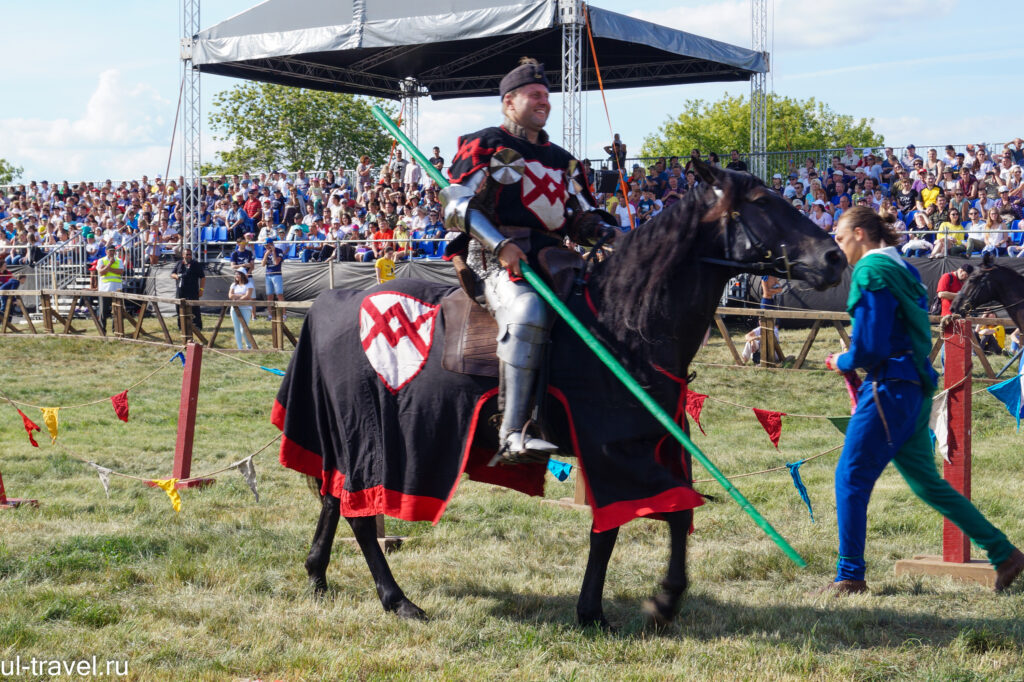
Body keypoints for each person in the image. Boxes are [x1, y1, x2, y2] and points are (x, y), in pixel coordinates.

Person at [821, 206, 1024, 595]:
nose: (838, 242)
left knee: (850, 478)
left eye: (841, 235)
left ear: (861, 233)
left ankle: (849, 575)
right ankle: (1004, 553)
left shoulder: (870, 270)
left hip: (888, 389)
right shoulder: (907, 271)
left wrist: (839, 360)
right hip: (915, 389)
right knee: (927, 484)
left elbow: (869, 348)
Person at [441, 57, 618, 461]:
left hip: (557, 261)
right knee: (528, 310)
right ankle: (512, 433)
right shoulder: (485, 143)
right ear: (509, 102)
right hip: (496, 256)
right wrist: (499, 245)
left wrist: (606, 232)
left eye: (546, 95)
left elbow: (577, 216)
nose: (544, 101)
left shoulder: (562, 159)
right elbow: (455, 204)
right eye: (534, 95)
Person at [170, 247, 205, 331]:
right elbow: (172, 274)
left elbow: (203, 278)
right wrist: (177, 276)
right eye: (187, 254)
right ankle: (181, 326)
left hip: (192, 291)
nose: (189, 256)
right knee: (180, 309)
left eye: (190, 254)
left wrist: (201, 290)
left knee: (195, 309)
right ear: (183, 255)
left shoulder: (195, 264)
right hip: (181, 291)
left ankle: (197, 326)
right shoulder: (179, 263)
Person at [96, 243, 125, 333]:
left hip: (117, 289)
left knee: (116, 311)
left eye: (113, 251)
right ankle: (102, 330)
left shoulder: (119, 260)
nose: (112, 253)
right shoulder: (101, 260)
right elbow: (101, 272)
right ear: (106, 252)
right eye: (110, 251)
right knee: (103, 312)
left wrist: (108, 268)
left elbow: (120, 271)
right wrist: (110, 264)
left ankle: (115, 329)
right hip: (104, 289)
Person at [228, 268, 255, 350]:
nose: (236, 276)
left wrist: (237, 297)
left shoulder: (249, 284)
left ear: (242, 275)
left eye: (238, 274)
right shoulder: (233, 285)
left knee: (243, 329)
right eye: (235, 274)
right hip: (234, 308)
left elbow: (248, 296)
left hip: (246, 308)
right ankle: (240, 348)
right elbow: (230, 296)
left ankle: (248, 345)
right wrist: (241, 295)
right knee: (236, 328)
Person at [261, 237, 285, 321]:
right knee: (269, 296)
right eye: (265, 246)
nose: (266, 247)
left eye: (267, 246)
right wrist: (266, 254)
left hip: (277, 274)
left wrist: (273, 251)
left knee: (279, 295)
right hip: (268, 274)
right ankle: (270, 315)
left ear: (271, 244)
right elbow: (263, 264)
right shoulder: (265, 252)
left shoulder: (279, 251)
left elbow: (276, 262)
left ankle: (284, 315)